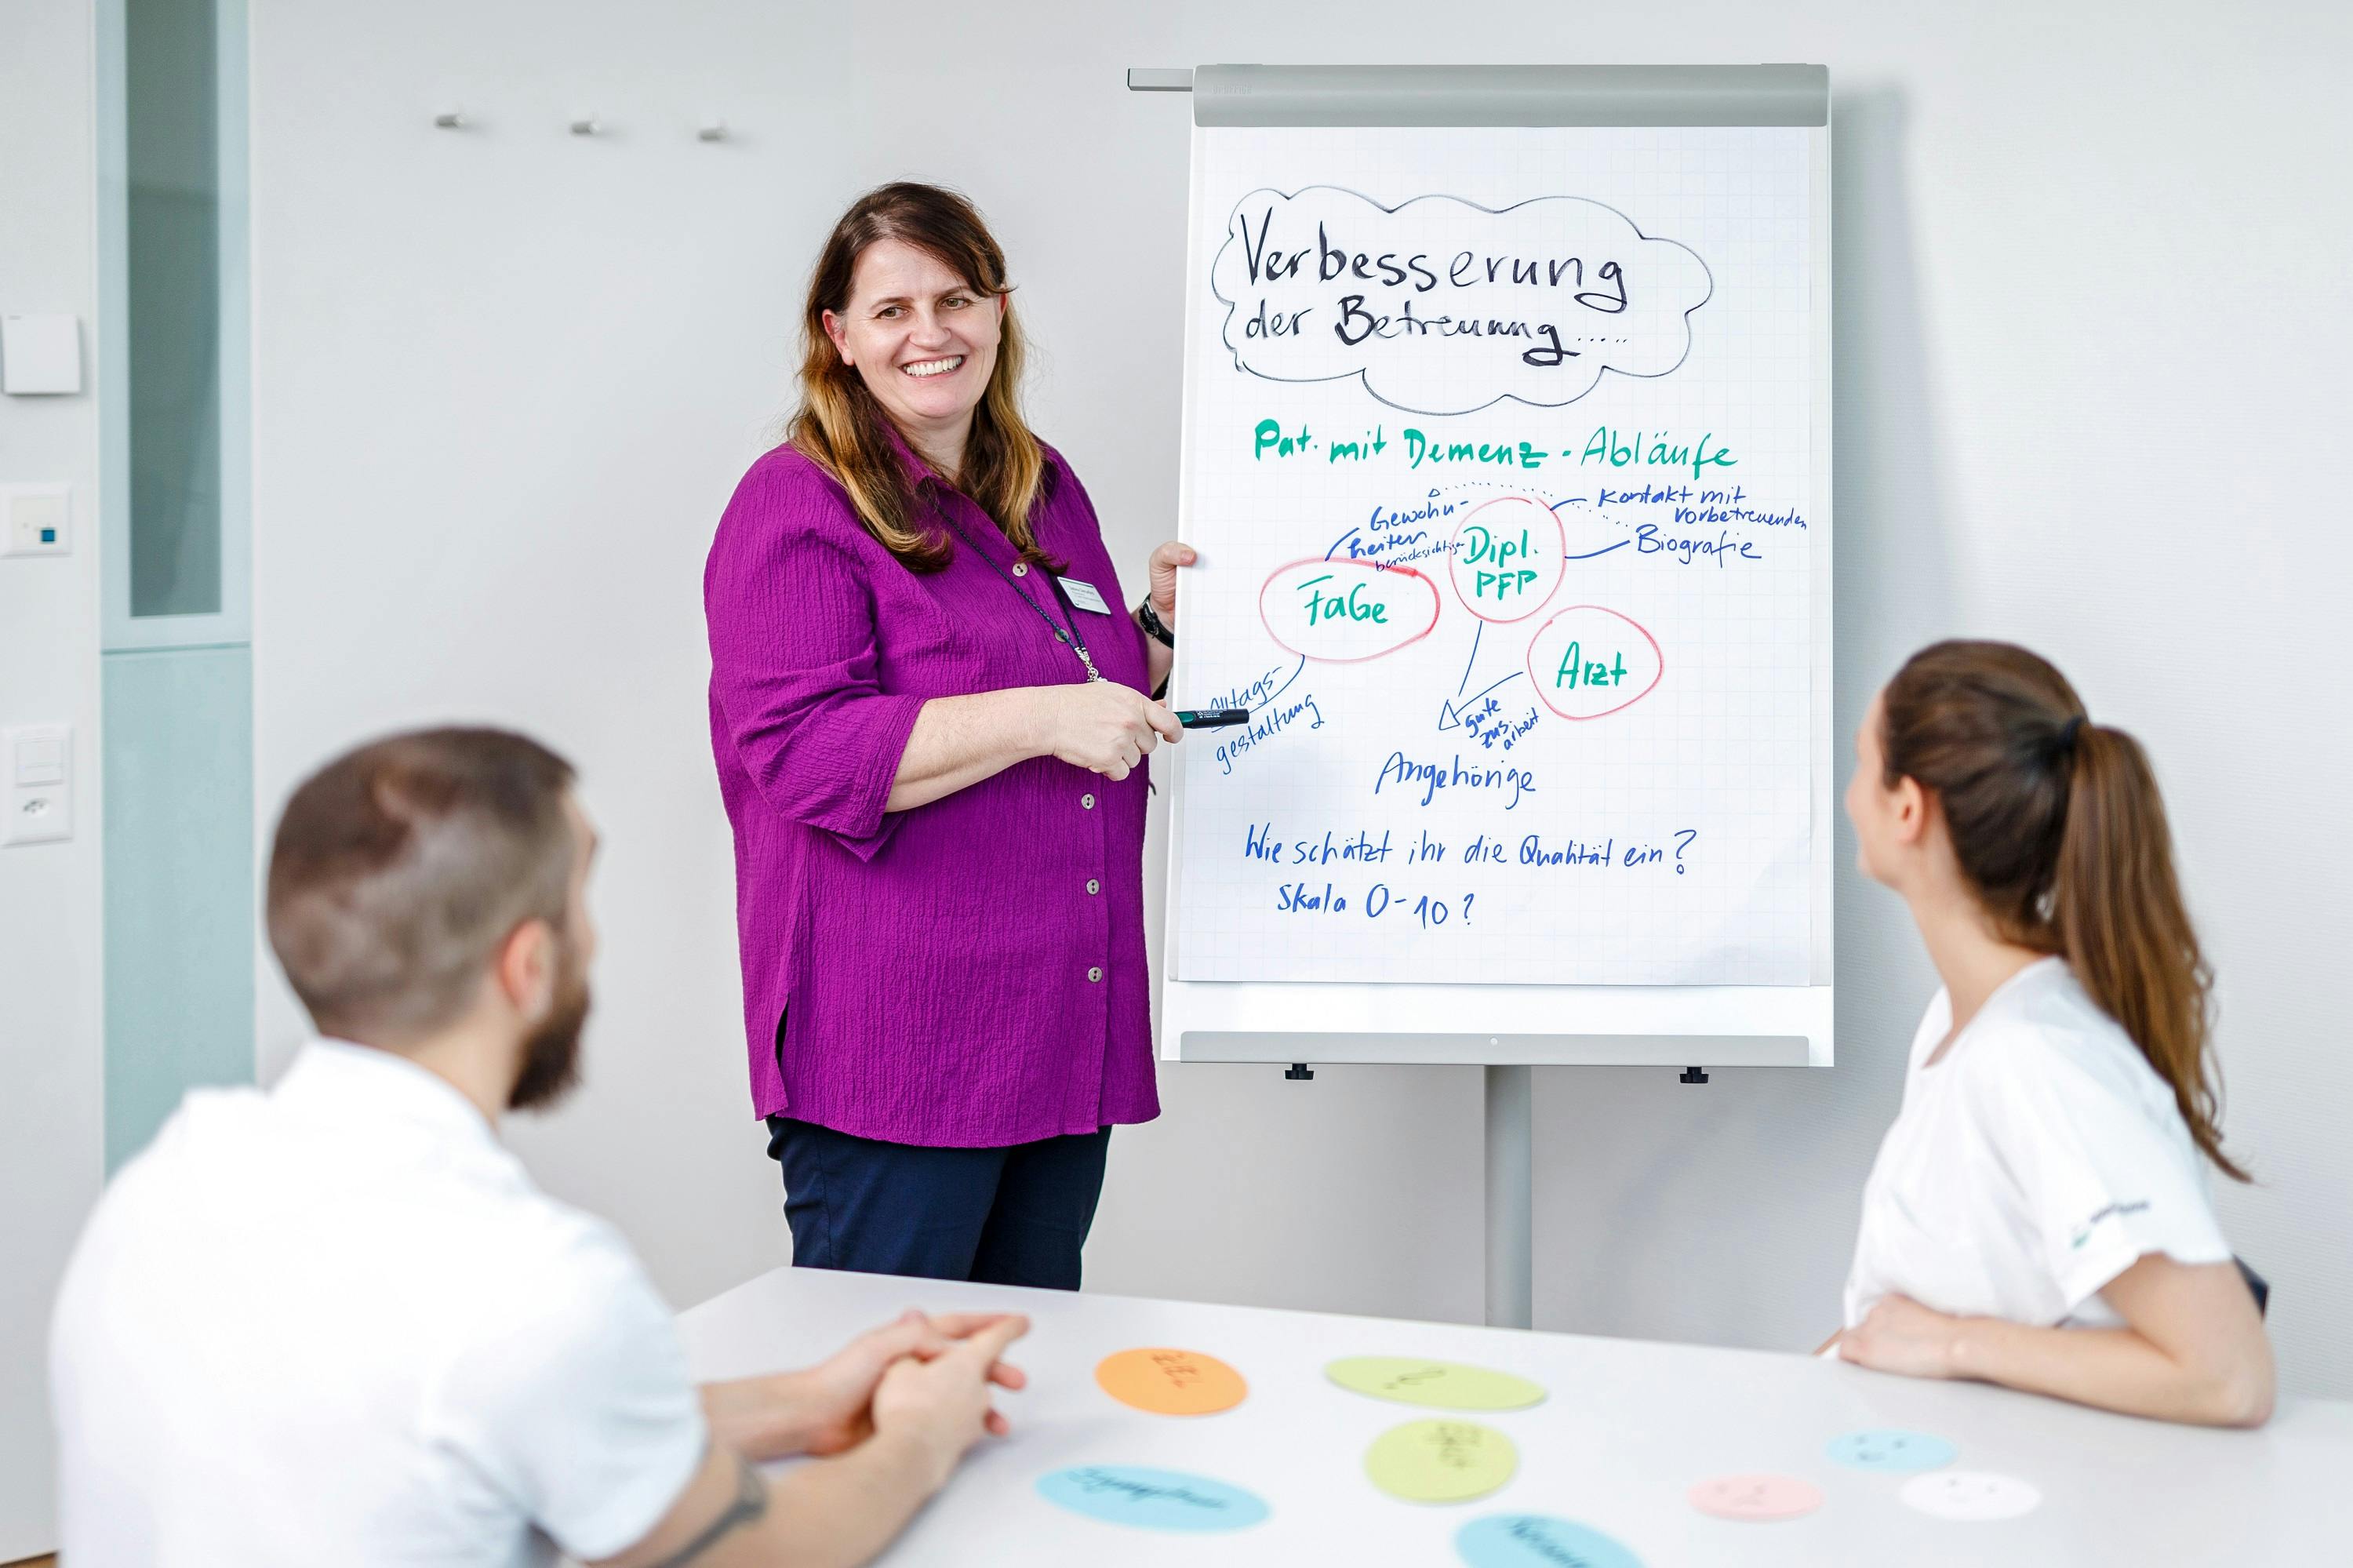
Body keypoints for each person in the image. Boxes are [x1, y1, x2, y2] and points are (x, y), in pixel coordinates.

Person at [51, 728, 1029, 1566]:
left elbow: (458, 1419)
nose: (593, 946)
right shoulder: (532, 1281)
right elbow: (764, 1548)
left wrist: (809, 1401)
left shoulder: (165, 1185)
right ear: (526, 965)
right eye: (579, 908)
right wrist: (921, 1436)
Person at [704, 181, 1192, 1288]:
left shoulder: (1043, 484)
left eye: (957, 297)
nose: (931, 333)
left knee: (1019, 1383)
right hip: (902, 1054)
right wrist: (1044, 718)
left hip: (1060, 1030)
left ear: (1000, 311)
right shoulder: (797, 504)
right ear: (839, 335)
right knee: (884, 1397)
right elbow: (805, 751)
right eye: (891, 310)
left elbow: (1084, 683)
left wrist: (1157, 632)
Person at [1831, 641, 2273, 1426]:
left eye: (1862, 763)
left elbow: (2228, 1374)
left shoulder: (2034, 1057)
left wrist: (1955, 1344)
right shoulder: (1961, 1021)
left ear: (1908, 807)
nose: (1846, 794)